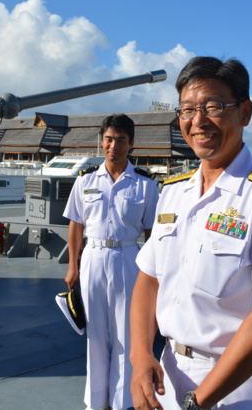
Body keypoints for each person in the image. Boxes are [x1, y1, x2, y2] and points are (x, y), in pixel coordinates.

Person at [129, 57, 252, 410]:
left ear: (245, 112)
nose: (198, 121)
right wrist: (140, 357)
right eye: (187, 110)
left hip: (241, 387)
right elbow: (149, 279)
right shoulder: (173, 192)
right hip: (169, 374)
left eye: (213, 107)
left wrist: (198, 402)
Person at [64, 113, 160, 410]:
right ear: (101, 141)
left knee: (125, 332)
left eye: (120, 140)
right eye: (108, 139)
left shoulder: (145, 185)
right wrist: (73, 266)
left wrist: (155, 275)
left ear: (131, 143)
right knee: (94, 332)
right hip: (92, 258)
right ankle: (96, 401)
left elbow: (152, 234)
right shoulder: (85, 181)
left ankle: (121, 402)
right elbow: (76, 226)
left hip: (129, 257)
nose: (113, 146)